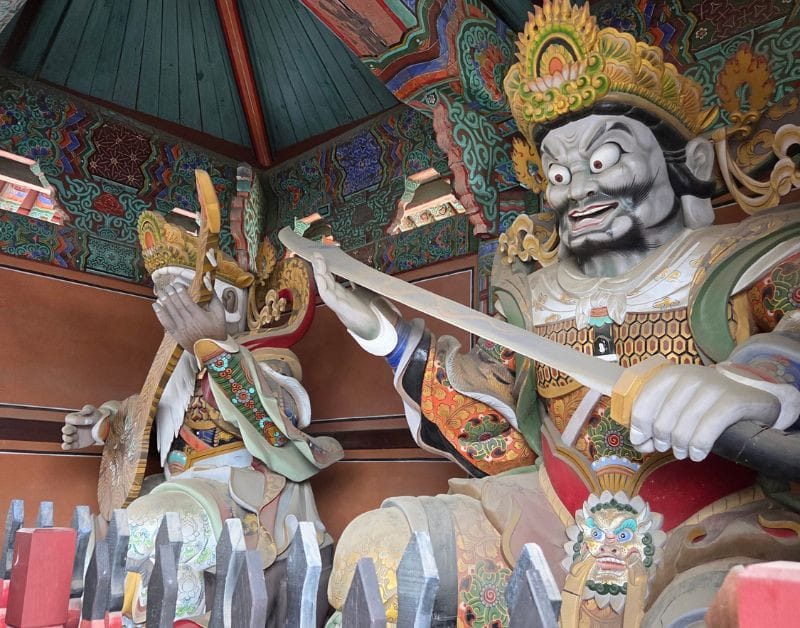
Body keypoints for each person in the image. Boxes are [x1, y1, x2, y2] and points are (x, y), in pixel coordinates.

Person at [311, 1, 800, 625]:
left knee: (721, 609)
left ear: (693, 164)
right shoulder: (531, 297)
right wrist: (385, 335)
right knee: (380, 552)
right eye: (559, 173)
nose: (578, 190)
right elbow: (498, 432)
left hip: (711, 528)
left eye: (604, 160)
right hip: (549, 517)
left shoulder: (751, 260)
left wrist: (752, 385)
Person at [62, 210, 342, 623]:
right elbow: (143, 410)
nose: (172, 317)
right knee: (99, 542)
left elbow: (276, 420)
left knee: (148, 528)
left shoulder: (273, 360)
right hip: (177, 484)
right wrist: (102, 425)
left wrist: (215, 348)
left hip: (237, 487)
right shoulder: (175, 373)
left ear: (228, 301)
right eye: (166, 304)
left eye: (183, 301)